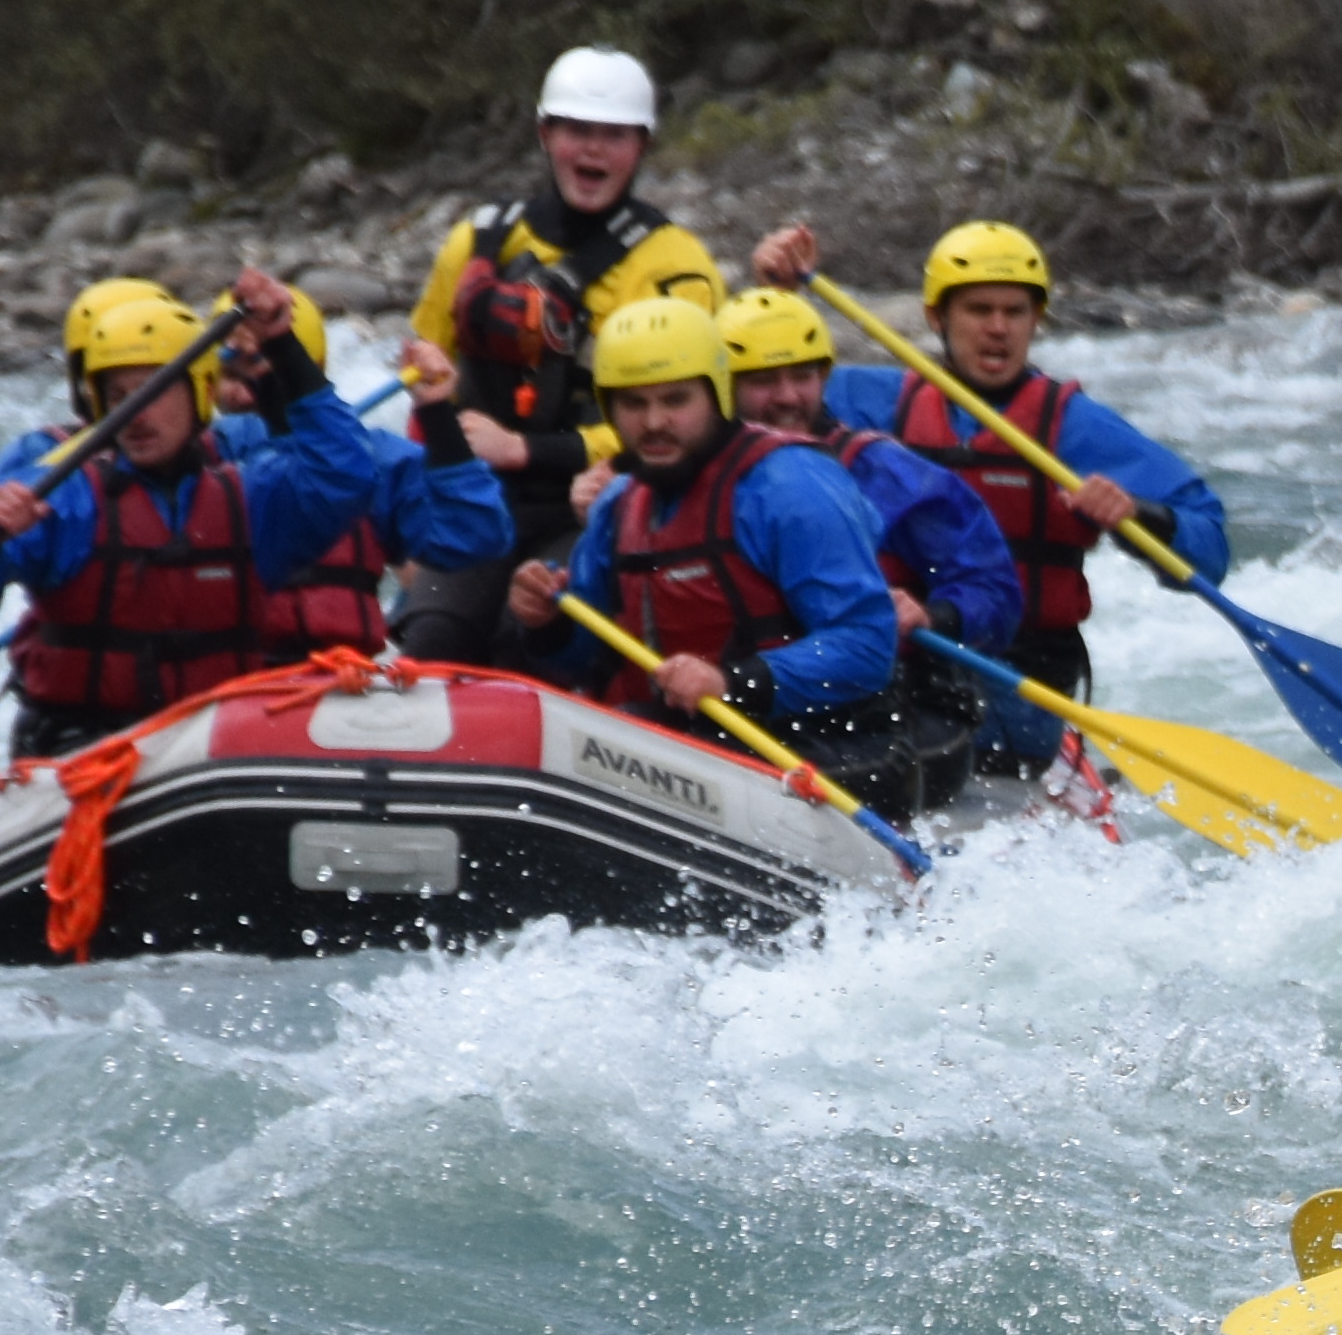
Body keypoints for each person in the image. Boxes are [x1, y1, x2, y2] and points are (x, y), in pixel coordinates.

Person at [745, 215, 1228, 774]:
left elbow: (1209, 547)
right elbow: (748, 394)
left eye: (1014, 311)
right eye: (979, 310)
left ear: (1036, 320)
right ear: (937, 318)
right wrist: (776, 299)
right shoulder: (872, 400)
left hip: (1017, 683)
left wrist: (1138, 515)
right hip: (891, 662)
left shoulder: (1076, 428)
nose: (998, 328)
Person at [0, 273, 452, 756]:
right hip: (82, 747)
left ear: (199, 393)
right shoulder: (59, 494)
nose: (136, 414)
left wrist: (281, 346)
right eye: (120, 395)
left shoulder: (252, 498)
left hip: (210, 746)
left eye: (154, 393)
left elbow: (347, 473)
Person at [502, 295, 912, 806]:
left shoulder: (791, 486)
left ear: (716, 395)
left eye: (675, 401)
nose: (654, 422)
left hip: (825, 743)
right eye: (634, 404)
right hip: (696, 744)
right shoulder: (619, 504)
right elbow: (582, 656)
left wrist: (732, 682)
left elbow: (868, 645)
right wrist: (546, 621)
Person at [391, 45, 727, 653]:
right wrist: (416, 516)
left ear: (641, 146)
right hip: (478, 503)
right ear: (546, 135)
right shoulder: (476, 241)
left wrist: (525, 450)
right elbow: (424, 383)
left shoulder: (677, 268)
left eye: (614, 136)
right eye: (577, 131)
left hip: (598, 502)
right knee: (429, 639)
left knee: (529, 639)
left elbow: (686, 421)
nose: (594, 150)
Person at [722, 286, 1014, 809]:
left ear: (824, 379)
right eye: (763, 381)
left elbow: (994, 587)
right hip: (751, 702)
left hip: (893, 715)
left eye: (802, 377)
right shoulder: (680, 484)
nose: (787, 397)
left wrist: (934, 615)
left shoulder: (888, 473)